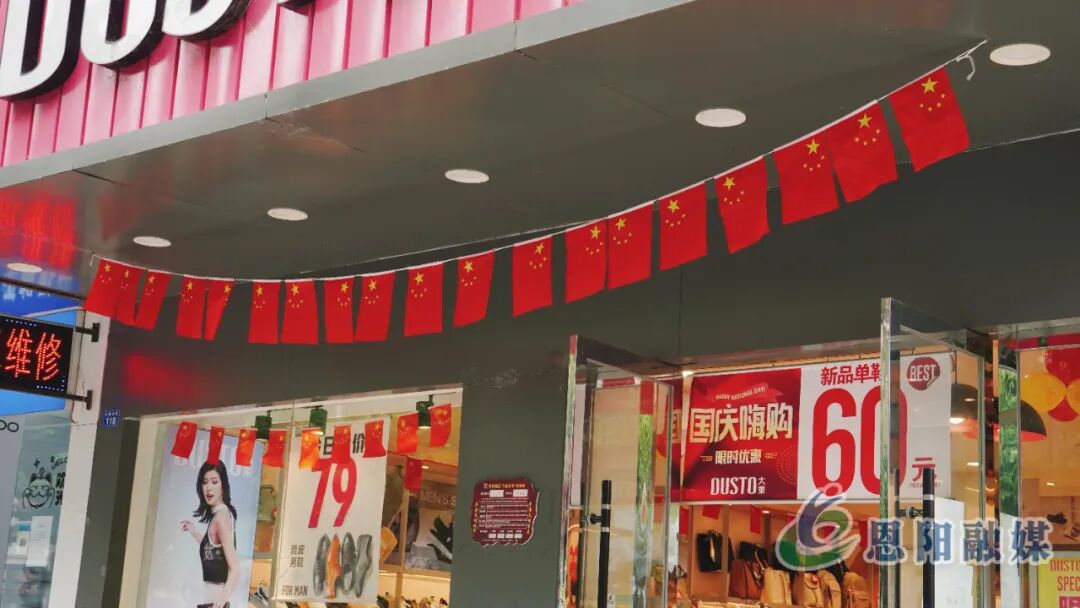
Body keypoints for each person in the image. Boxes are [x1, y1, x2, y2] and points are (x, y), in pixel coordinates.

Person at [181, 461, 239, 608]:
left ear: (223, 485)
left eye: (214, 482)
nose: (209, 488)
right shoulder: (220, 515)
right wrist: (193, 532)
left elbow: (235, 569)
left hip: (214, 604)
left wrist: (219, 603)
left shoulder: (221, 517)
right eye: (205, 482)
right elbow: (213, 550)